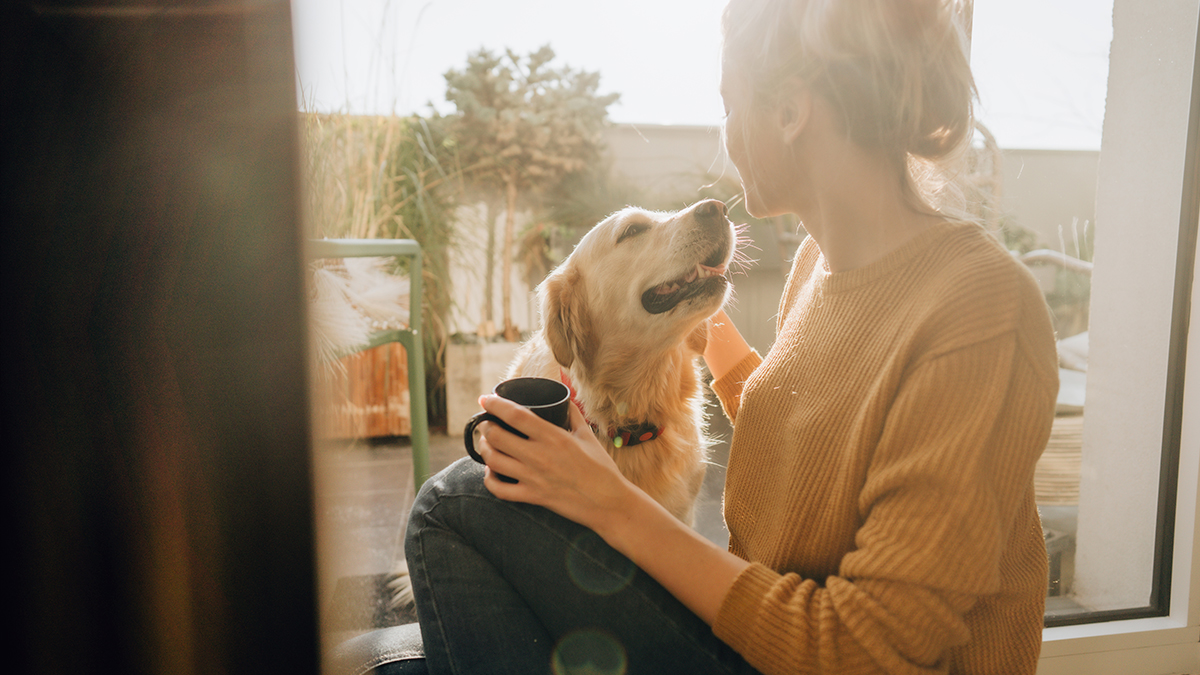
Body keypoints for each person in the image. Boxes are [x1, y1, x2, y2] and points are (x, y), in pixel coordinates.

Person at [402, 0, 1058, 673]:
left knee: (445, 508)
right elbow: (818, 439)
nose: (726, 132)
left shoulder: (980, 308)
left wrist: (610, 500)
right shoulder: (818, 265)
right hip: (757, 633)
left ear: (788, 112)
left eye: (728, 103)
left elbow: (864, 648)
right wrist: (686, 319)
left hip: (796, 654)